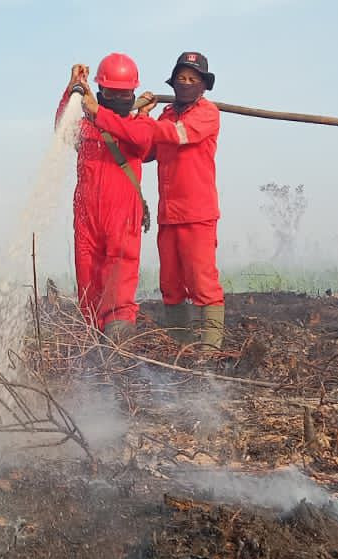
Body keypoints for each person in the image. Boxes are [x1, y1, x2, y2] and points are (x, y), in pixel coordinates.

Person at [83, 51, 223, 347]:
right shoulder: (167, 114)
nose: (186, 84)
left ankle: (211, 351)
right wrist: (141, 117)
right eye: (181, 78)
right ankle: (181, 346)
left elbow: (169, 135)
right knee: (170, 285)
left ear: (203, 85)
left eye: (192, 79)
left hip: (197, 213)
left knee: (203, 283)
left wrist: (118, 117)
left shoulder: (207, 113)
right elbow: (145, 150)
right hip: (168, 213)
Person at [58, 54, 154, 337]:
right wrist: (72, 89)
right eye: (112, 93)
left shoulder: (140, 125)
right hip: (86, 218)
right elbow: (63, 128)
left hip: (122, 218)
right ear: (100, 90)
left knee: (119, 281)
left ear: (133, 93)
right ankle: (92, 342)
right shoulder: (87, 128)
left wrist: (98, 110)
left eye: (124, 94)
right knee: (88, 280)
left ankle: (118, 347)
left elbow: (141, 140)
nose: (119, 98)